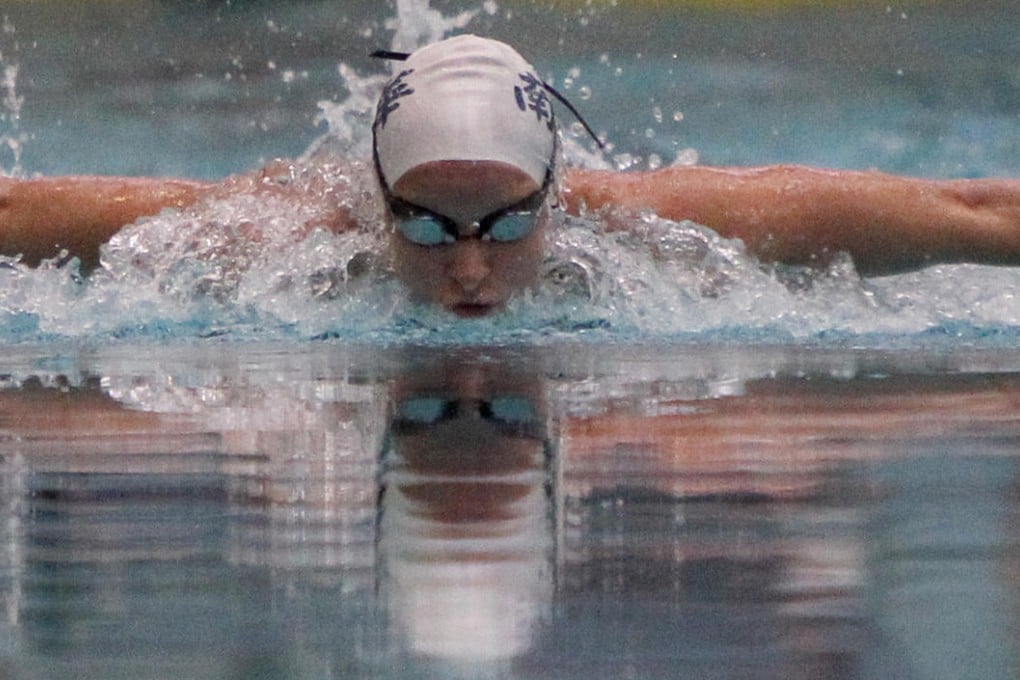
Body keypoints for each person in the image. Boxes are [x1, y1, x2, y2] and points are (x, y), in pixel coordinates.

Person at [2, 34, 1020, 317]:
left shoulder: (676, 229)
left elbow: (966, 210)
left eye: (506, 223)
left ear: (554, 197)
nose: (473, 268)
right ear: (377, 205)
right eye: (430, 229)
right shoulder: (266, 236)